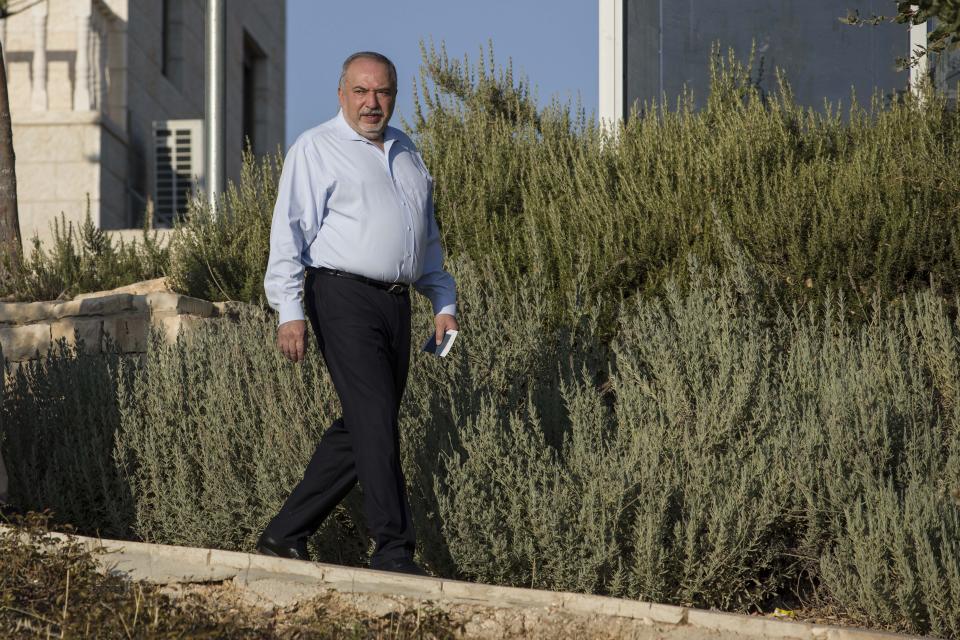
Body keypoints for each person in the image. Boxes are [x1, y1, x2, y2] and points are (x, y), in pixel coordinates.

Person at [258, 51, 458, 575]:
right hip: (340, 295)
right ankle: (393, 550)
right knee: (374, 419)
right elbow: (289, 233)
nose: (373, 103)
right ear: (342, 93)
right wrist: (289, 310)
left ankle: (285, 534)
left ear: (395, 94)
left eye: (383, 92)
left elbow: (426, 241)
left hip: (395, 303)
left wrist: (443, 302)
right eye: (362, 92)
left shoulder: (408, 152)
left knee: (366, 424)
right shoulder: (316, 148)